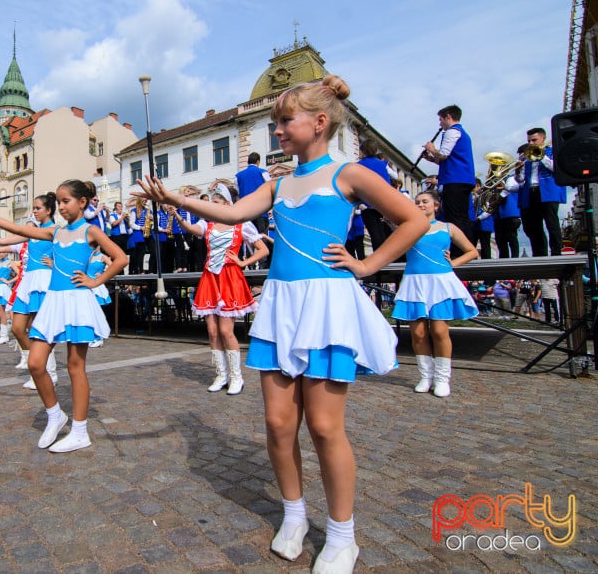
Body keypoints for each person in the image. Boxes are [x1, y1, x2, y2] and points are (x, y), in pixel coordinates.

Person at [136, 75, 428, 573]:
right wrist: (175, 199)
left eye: (283, 122)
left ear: (319, 122)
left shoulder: (349, 174)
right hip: (281, 305)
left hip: (325, 305)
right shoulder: (278, 184)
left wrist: (368, 264)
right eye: (273, 124)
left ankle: (341, 535)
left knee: (323, 426)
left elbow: (413, 220)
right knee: (276, 423)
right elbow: (229, 213)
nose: (276, 132)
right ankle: (293, 514)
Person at [0, 180, 128, 453]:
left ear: (83, 202)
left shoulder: (91, 231)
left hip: (76, 303)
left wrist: (95, 280)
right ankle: (55, 415)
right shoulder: (54, 232)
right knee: (36, 363)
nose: (62, 207)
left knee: (76, 367)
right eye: (60, 202)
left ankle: (79, 431)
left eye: (67, 201)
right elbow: (17, 229)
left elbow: (121, 258)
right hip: (53, 302)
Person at [169, 183, 268, 394]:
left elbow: (263, 249)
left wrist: (243, 263)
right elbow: (192, 229)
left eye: (215, 202)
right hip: (210, 279)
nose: (211, 206)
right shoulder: (208, 225)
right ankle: (221, 375)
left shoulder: (242, 224)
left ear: (225, 203)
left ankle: (236, 377)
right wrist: (177, 216)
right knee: (212, 332)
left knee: (225, 330)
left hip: (230, 278)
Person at [391, 190, 479, 398]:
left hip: (440, 283)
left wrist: (452, 264)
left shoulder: (447, 228)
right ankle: (425, 376)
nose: (420, 205)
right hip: (414, 282)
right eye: (417, 202)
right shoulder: (407, 227)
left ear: (436, 205)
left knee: (439, 331)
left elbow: (472, 251)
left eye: (425, 202)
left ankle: (442, 379)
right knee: (418, 333)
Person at [0, 198, 59, 387]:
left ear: (49, 210)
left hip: (42, 280)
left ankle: (48, 372)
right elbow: (4, 240)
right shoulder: (32, 232)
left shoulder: (55, 230)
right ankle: (32, 364)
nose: (34, 211)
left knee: (37, 330)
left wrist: (56, 264)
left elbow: (72, 254)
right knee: (17, 328)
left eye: (38, 208)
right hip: (28, 281)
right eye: (33, 208)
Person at [421, 105, 475, 255]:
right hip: (461, 178)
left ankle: (458, 251)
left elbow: (443, 154)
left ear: (448, 117)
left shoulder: (452, 131)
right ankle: (466, 248)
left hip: (454, 180)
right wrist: (431, 159)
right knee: (461, 216)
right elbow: (449, 160)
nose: (440, 124)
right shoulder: (462, 133)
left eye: (441, 119)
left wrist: (431, 148)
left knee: (454, 218)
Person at [517, 130, 568, 256]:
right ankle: (540, 254)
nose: (531, 143)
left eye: (534, 140)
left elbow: (556, 168)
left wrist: (541, 156)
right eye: (529, 140)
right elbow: (520, 180)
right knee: (534, 226)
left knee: (551, 222)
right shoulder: (527, 157)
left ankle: (556, 251)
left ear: (543, 138)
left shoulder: (552, 151)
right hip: (531, 191)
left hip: (548, 191)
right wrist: (518, 171)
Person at [355, 140, 395, 251]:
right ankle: (388, 255)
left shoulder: (359, 165)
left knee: (374, 233)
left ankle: (379, 257)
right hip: (384, 202)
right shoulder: (383, 164)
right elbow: (394, 177)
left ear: (363, 151)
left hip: (368, 202)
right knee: (383, 230)